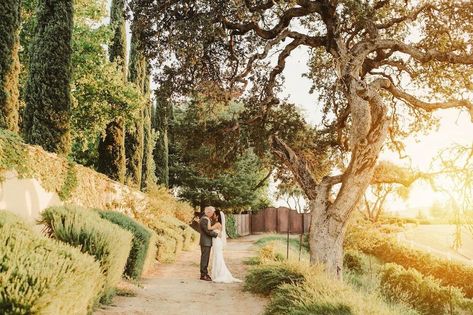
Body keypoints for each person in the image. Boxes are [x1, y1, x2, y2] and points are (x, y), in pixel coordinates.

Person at [207, 210, 242, 283]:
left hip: (217, 242)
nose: (213, 216)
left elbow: (209, 228)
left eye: (214, 214)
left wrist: (207, 219)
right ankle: (218, 274)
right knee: (217, 257)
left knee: (218, 257)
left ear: (217, 216)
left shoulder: (217, 224)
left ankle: (220, 274)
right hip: (217, 242)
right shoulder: (218, 224)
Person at [199, 206, 218, 281]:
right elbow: (207, 231)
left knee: (206, 259)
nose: (213, 214)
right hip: (205, 242)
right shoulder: (204, 219)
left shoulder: (206, 219)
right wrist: (216, 235)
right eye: (212, 213)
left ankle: (205, 274)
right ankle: (203, 275)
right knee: (204, 259)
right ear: (209, 212)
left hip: (207, 242)